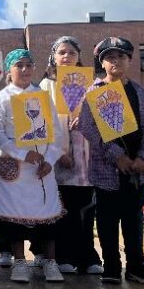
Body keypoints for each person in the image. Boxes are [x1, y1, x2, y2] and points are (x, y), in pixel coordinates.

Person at [78, 37, 144, 285]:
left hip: (139, 169)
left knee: (134, 218)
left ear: (129, 60)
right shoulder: (95, 92)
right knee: (106, 219)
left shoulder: (139, 91)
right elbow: (88, 127)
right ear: (102, 63)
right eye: (110, 58)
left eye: (121, 57)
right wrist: (118, 156)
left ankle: (136, 265)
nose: (116, 62)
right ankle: (111, 266)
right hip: (108, 169)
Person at [0, 49, 66, 283]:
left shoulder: (42, 97)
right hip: (15, 167)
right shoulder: (1, 98)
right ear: (9, 70)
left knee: (48, 212)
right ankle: (19, 262)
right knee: (14, 218)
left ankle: (50, 262)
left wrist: (50, 160)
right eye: (19, 65)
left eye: (28, 65)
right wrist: (22, 154)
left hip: (41, 166)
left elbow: (56, 132)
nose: (24, 70)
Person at [39, 36, 103, 275]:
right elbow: (40, 122)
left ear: (79, 57)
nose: (66, 57)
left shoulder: (93, 85)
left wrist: (88, 121)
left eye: (71, 53)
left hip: (86, 156)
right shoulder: (45, 86)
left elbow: (105, 121)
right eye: (61, 52)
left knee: (87, 208)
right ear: (53, 57)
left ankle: (88, 256)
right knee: (63, 208)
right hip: (59, 156)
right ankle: (63, 255)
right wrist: (58, 151)